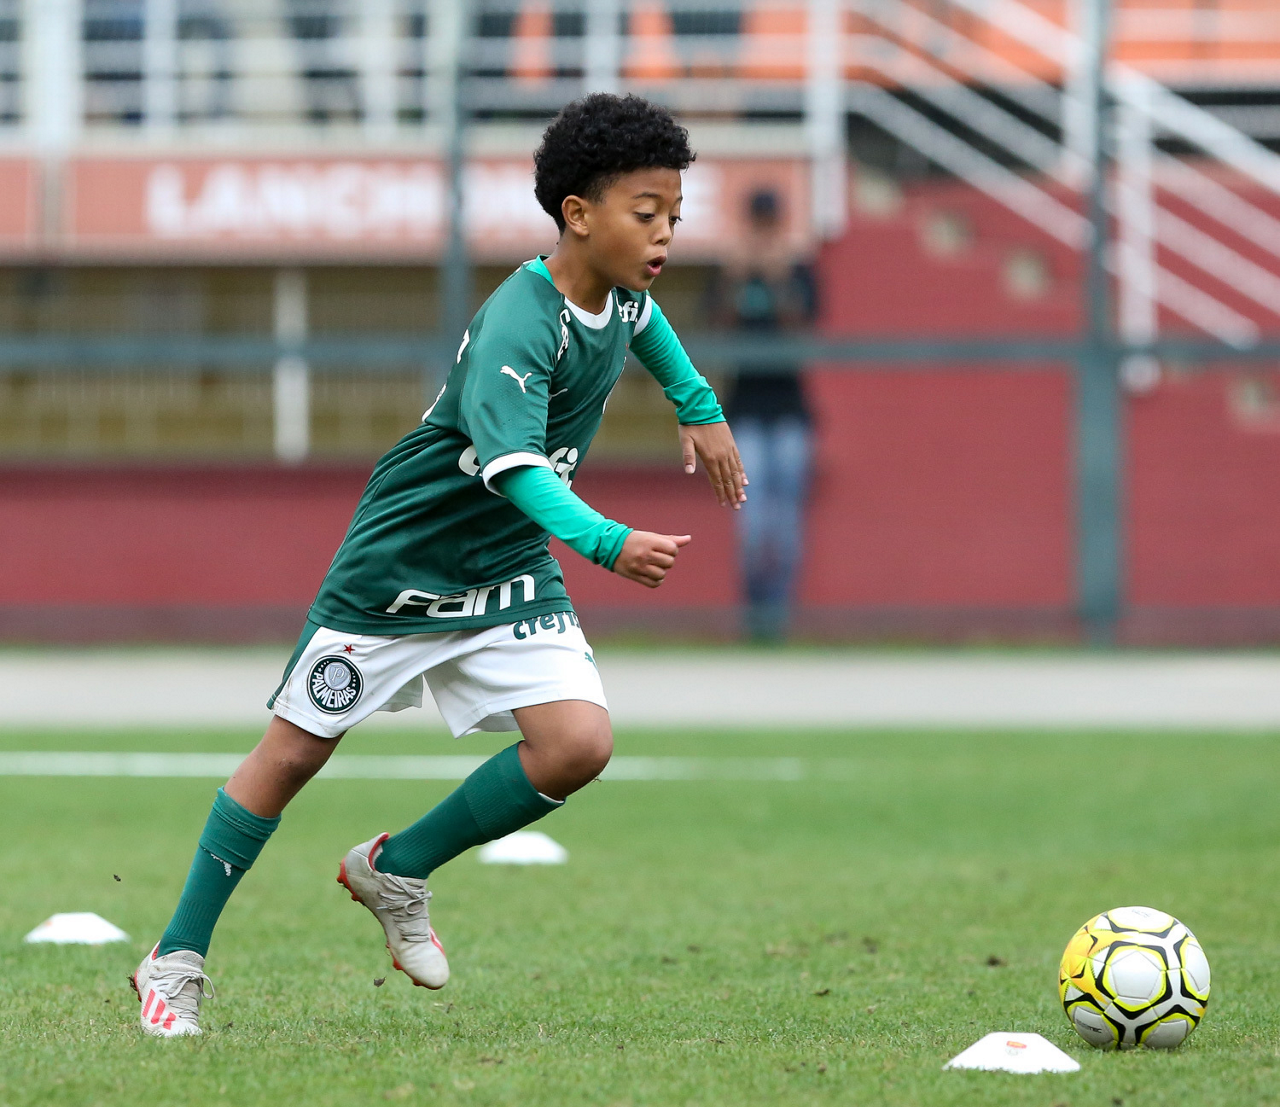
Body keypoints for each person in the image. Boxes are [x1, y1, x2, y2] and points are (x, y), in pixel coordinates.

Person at [130, 92, 747, 1037]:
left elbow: (646, 325)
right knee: (292, 754)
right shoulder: (520, 321)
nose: (666, 231)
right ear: (578, 214)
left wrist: (697, 404)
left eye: (674, 212)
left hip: (505, 566)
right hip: (403, 563)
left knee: (578, 744)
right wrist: (605, 540)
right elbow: (517, 470)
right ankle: (174, 959)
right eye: (646, 211)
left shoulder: (619, 293)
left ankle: (397, 866)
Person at [710, 188, 816, 642]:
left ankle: (779, 617)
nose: (763, 234)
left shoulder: (797, 269)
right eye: (758, 224)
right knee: (751, 523)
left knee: (787, 523)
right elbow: (717, 328)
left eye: (769, 224)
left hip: (789, 410)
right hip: (745, 411)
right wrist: (736, 277)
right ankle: (755, 616)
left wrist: (779, 277)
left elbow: (802, 330)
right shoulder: (731, 270)